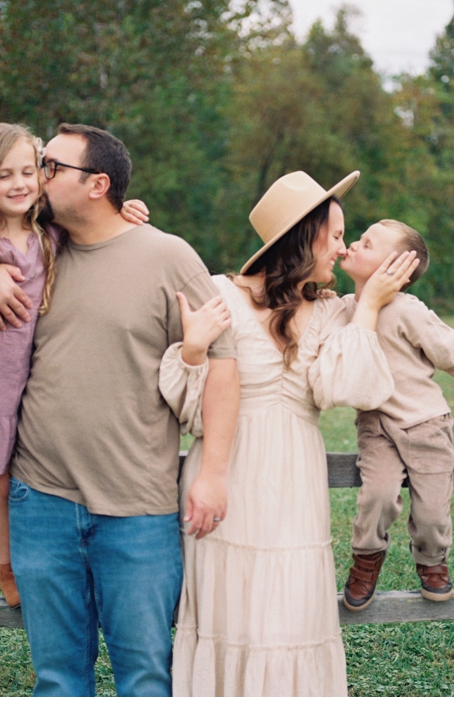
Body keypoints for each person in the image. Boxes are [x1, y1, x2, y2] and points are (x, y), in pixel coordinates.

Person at [0, 123, 239, 697]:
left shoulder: (167, 255)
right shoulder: (31, 252)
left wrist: (213, 473)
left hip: (138, 512)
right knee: (57, 681)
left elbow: (226, 362)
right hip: (42, 501)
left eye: (50, 167)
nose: (37, 177)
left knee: (146, 679)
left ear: (98, 184)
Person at [160, 170, 419, 696]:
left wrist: (367, 306)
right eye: (338, 234)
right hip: (224, 470)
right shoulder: (215, 294)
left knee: (291, 612)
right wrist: (191, 351)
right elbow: (186, 409)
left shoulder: (327, 310)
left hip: (294, 475)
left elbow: (350, 387)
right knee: (228, 609)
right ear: (305, 236)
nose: (344, 248)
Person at [0, 123, 149, 614]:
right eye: (5, 176)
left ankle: (9, 567)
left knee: (3, 483)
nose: (20, 183)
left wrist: (122, 210)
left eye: (29, 171)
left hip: (12, 390)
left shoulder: (49, 234)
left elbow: (96, 220)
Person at [337, 220, 454, 611]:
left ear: (394, 269)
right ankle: (366, 560)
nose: (352, 244)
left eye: (366, 244)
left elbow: (446, 347)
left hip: (425, 424)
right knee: (378, 496)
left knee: (432, 509)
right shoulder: (343, 309)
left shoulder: (407, 310)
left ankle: (432, 561)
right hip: (376, 426)